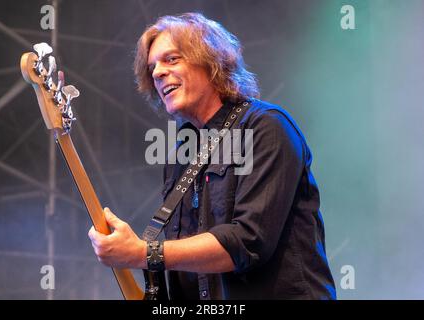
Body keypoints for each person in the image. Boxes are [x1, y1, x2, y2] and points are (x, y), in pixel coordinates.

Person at [88, 12, 336, 300]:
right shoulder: (181, 155)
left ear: (210, 61)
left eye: (171, 59)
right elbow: (186, 266)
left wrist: (143, 253)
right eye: (152, 66)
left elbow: (247, 242)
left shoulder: (266, 127)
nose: (157, 73)